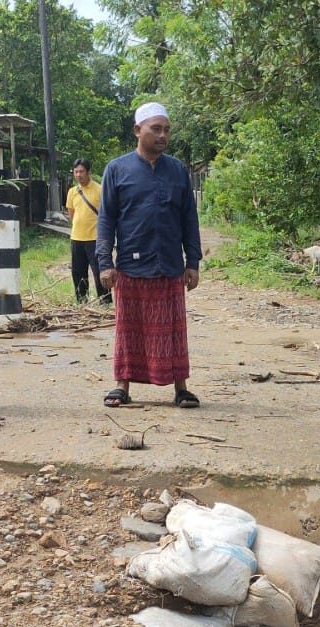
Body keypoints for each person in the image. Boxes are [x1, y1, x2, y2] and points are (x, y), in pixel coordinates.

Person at [96, 102, 202, 409]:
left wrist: (192, 262)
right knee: (129, 330)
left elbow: (188, 220)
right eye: (156, 128)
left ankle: (181, 388)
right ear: (137, 130)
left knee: (173, 331)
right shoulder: (117, 170)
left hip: (169, 265)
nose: (163, 135)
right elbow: (106, 221)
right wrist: (105, 263)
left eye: (166, 129)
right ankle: (121, 386)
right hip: (130, 265)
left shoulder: (178, 171)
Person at [66, 158, 110, 304]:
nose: (78, 175)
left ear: (89, 172)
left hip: (96, 239)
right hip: (77, 238)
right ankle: (82, 302)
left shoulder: (100, 190)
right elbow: (71, 214)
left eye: (81, 171)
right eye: (76, 172)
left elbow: (106, 214)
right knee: (78, 273)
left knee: (100, 273)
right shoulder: (72, 192)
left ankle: (105, 301)